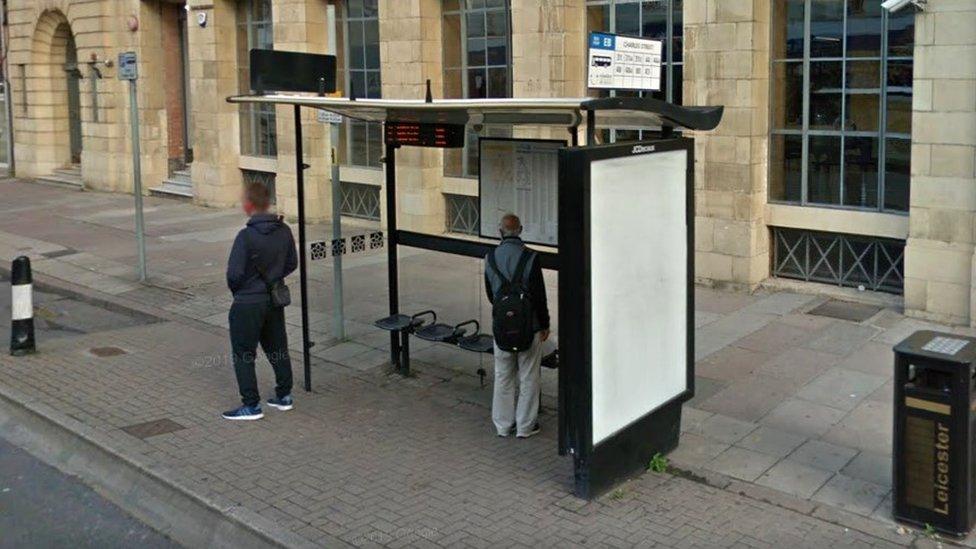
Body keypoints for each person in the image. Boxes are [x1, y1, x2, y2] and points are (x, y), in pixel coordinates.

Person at [222, 182, 298, 421]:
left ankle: (251, 405)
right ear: (268, 203)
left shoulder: (246, 237)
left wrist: (241, 291)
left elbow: (234, 274)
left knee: (244, 353)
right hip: (273, 299)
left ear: (249, 205)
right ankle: (284, 395)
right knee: (277, 348)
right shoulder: (283, 230)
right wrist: (274, 279)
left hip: (247, 302)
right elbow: (292, 263)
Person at [484, 213, 550, 438]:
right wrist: (544, 324)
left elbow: (491, 294)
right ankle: (525, 426)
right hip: (529, 326)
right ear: (520, 230)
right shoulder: (531, 257)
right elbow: (540, 295)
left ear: (499, 231)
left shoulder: (490, 257)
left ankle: (502, 425)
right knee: (529, 377)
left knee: (503, 376)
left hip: (501, 326)